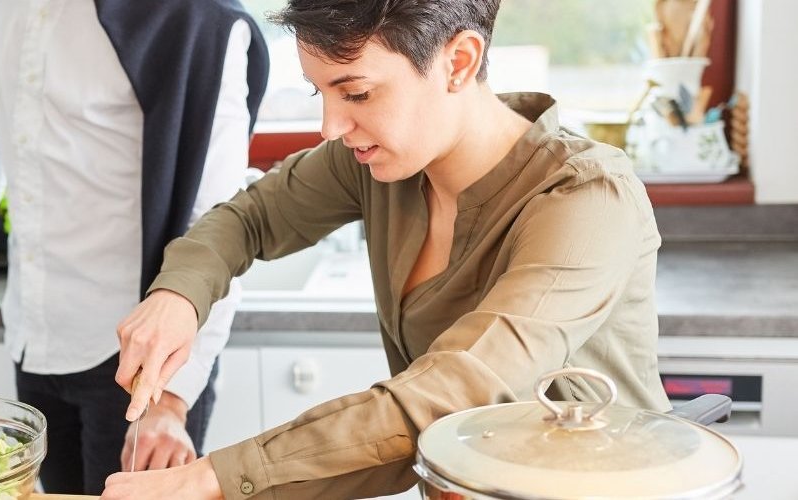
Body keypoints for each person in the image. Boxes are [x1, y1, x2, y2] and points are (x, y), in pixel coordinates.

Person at [104, 1, 670, 498]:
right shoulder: (384, 163)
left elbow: (451, 396)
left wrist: (214, 479)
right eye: (319, 91)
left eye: (356, 92)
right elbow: (247, 219)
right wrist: (178, 295)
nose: (330, 126)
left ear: (459, 61)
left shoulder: (587, 199)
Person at [0, 0, 267, 494]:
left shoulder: (196, 20)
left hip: (143, 358)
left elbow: (219, 228)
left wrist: (171, 400)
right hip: (31, 334)